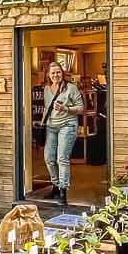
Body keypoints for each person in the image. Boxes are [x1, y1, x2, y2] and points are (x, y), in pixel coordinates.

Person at [41, 61, 83, 205]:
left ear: (62, 73)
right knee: (48, 158)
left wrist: (66, 109)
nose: (56, 75)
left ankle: (63, 192)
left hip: (67, 125)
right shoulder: (47, 89)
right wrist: (42, 123)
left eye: (58, 72)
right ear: (48, 75)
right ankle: (55, 186)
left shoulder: (71, 88)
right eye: (53, 73)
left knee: (62, 158)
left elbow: (81, 108)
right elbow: (47, 108)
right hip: (51, 127)